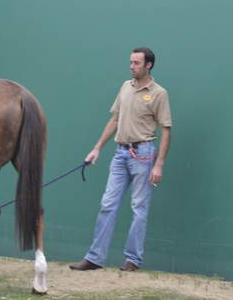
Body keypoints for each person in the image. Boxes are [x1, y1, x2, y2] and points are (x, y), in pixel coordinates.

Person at [69, 47, 172, 272]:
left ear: (148, 65)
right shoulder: (125, 87)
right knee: (107, 204)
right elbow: (115, 120)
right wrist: (96, 148)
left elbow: (166, 130)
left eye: (136, 63)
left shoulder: (158, 93)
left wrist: (159, 164)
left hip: (143, 155)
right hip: (120, 154)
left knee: (138, 207)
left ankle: (133, 260)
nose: (131, 66)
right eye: (131, 62)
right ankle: (95, 258)